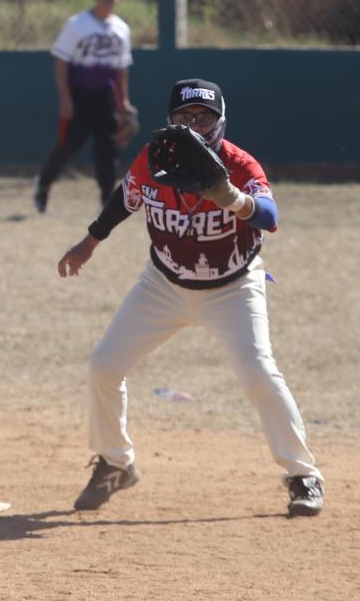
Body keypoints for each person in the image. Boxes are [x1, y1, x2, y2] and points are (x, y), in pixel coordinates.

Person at [55, 79, 324, 517]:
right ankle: (115, 463)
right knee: (103, 364)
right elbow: (125, 201)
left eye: (204, 116)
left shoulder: (238, 164)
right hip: (163, 285)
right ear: (170, 120)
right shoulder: (156, 159)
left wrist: (233, 199)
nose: (193, 124)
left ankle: (303, 475)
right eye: (184, 116)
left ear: (221, 121)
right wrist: (89, 242)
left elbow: (270, 217)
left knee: (258, 372)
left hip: (234, 287)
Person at [33, 0, 137, 214]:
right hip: (79, 94)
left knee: (107, 150)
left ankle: (106, 203)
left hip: (106, 97)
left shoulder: (121, 29)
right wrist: (65, 99)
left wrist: (124, 102)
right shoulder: (77, 24)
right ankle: (44, 183)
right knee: (70, 144)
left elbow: (122, 69)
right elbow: (61, 61)